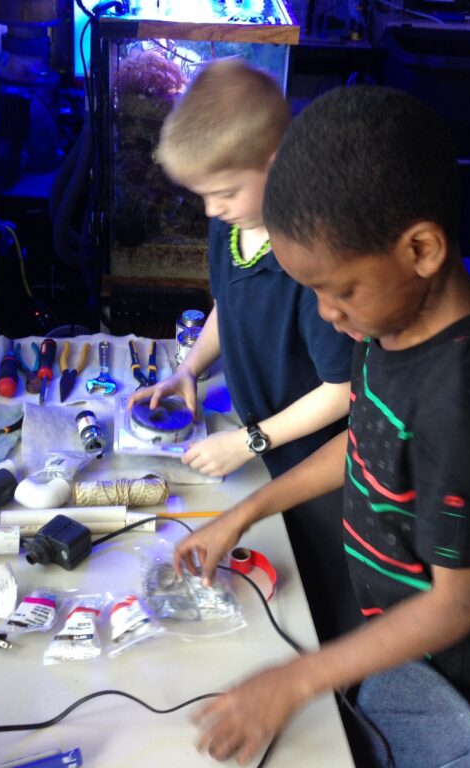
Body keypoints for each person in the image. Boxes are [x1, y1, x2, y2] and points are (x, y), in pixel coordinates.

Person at [174, 85, 470, 767]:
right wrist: (248, 511)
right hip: (395, 640)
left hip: (464, 683)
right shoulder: (393, 320)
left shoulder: (464, 406)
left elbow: (456, 607)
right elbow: (366, 442)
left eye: (338, 290)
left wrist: (294, 681)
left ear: (421, 249)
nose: (324, 315)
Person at [130, 58, 360, 642]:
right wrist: (189, 368)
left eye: (225, 192)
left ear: (277, 163)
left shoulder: (308, 260)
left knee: (320, 595)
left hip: (317, 461)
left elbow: (345, 391)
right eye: (204, 196)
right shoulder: (232, 224)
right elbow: (227, 306)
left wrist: (249, 440)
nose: (211, 209)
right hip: (263, 445)